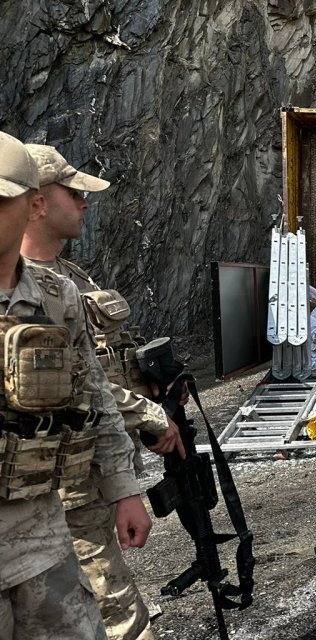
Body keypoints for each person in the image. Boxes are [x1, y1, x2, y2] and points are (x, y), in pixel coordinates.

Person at [21, 144, 183, 640]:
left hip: (94, 465)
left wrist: (147, 376)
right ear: (37, 202)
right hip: (59, 480)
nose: (85, 203)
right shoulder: (27, 293)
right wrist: (149, 412)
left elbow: (98, 368)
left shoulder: (68, 281)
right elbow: (78, 386)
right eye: (74, 193)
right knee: (113, 611)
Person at [0, 131, 151, 639]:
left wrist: (123, 488)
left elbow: (95, 394)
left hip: (40, 528)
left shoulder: (56, 293)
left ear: (32, 204)